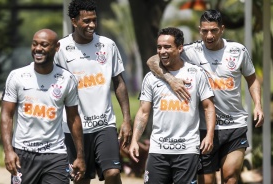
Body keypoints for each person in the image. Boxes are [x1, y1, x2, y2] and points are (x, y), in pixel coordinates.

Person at [147, 10, 264, 184]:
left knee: (230, 176)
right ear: (199, 29)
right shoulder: (191, 51)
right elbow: (152, 61)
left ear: (222, 29)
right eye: (205, 31)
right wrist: (171, 80)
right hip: (203, 128)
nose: (209, 35)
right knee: (207, 181)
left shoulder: (238, 51)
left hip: (235, 125)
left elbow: (252, 79)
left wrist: (258, 105)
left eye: (214, 30)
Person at [54, 0, 132, 183]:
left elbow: (118, 82)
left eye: (94, 20)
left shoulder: (107, 45)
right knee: (81, 178)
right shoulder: (61, 48)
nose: (92, 25)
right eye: (86, 21)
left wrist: (127, 119)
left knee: (112, 173)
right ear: (74, 21)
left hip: (104, 124)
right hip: (73, 128)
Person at [129, 27, 216, 184]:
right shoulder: (151, 78)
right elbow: (143, 112)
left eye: (167, 47)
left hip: (187, 150)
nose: (162, 51)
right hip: (158, 150)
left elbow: (208, 106)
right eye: (159, 47)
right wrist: (135, 139)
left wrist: (209, 135)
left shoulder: (196, 74)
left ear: (180, 48)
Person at [0, 29, 86, 184]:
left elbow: (74, 118)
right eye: (35, 44)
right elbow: (6, 115)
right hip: (23, 154)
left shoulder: (67, 79)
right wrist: (8, 151)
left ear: (56, 47)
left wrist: (80, 156)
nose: (38, 48)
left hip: (55, 155)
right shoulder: (17, 76)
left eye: (44, 45)